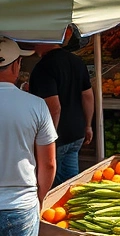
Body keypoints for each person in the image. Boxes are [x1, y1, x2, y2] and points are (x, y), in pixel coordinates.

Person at [0, 37, 57, 236]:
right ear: (17, 65)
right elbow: (48, 163)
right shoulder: (37, 105)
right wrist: (39, 198)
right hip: (21, 205)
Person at [29, 37, 94, 185]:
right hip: (77, 132)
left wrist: (47, 139)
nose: (33, 46)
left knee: (51, 185)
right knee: (71, 182)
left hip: (59, 135)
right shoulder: (77, 61)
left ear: (43, 41)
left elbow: (55, 107)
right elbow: (88, 95)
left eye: (35, 41)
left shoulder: (43, 67)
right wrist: (88, 125)